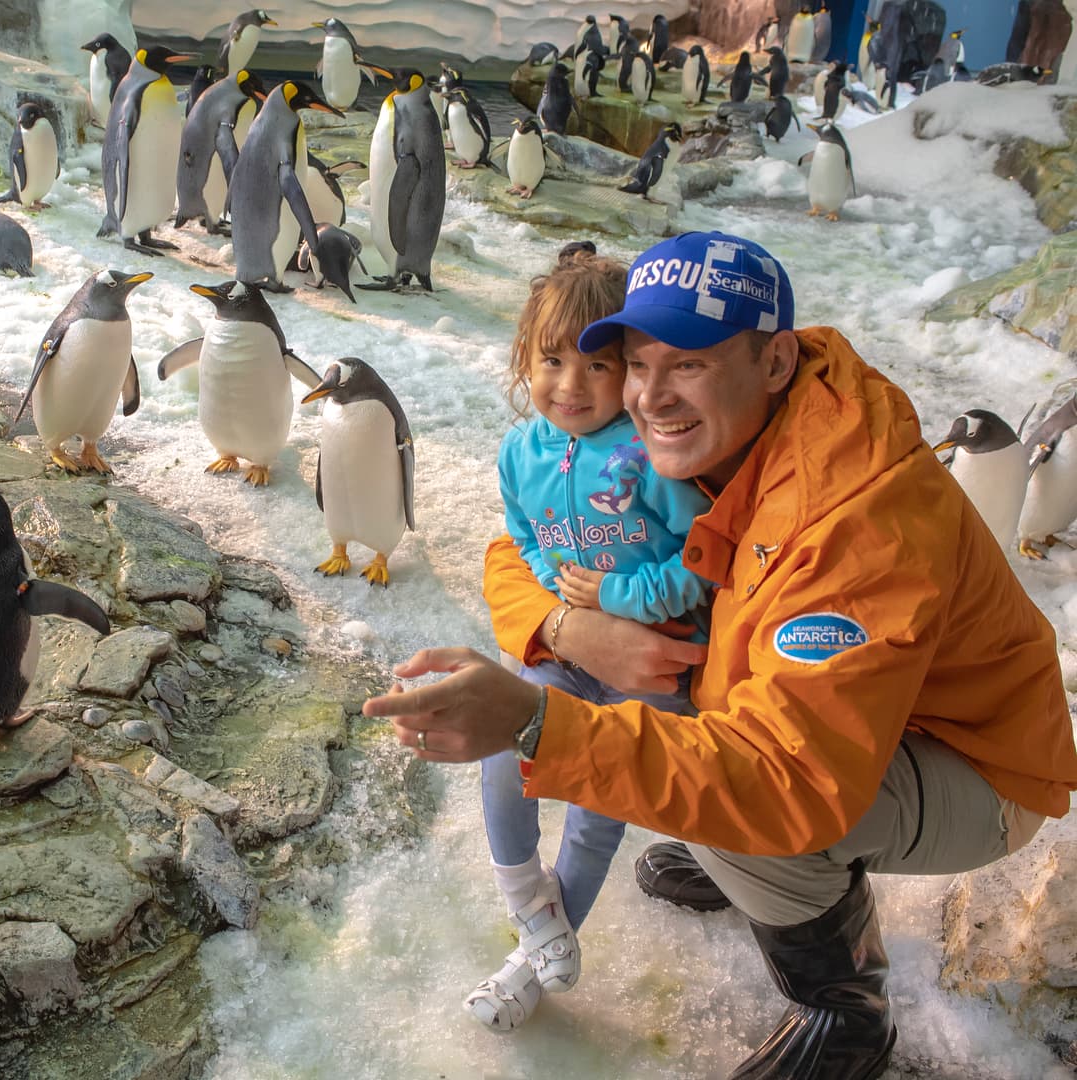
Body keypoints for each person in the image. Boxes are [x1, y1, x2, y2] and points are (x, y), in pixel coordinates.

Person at [364, 230, 1077, 1079]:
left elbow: (790, 779)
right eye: (637, 364)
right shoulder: (723, 436)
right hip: (837, 713)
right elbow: (522, 547)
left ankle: (844, 1007)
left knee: (733, 811)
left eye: (689, 364)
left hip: (972, 766)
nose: (649, 396)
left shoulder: (854, 524)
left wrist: (536, 723)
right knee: (693, 774)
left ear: (774, 361)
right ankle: (759, 875)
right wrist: (567, 631)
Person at [463, 244, 714, 1034]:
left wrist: (615, 599)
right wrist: (558, 592)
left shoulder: (652, 456)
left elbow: (702, 557)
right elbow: (525, 534)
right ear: (524, 360)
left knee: (601, 797)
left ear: (629, 372)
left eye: (596, 365)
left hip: (654, 662)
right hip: (571, 654)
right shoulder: (520, 452)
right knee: (506, 735)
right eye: (551, 360)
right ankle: (530, 910)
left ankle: (529, 961)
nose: (570, 385)